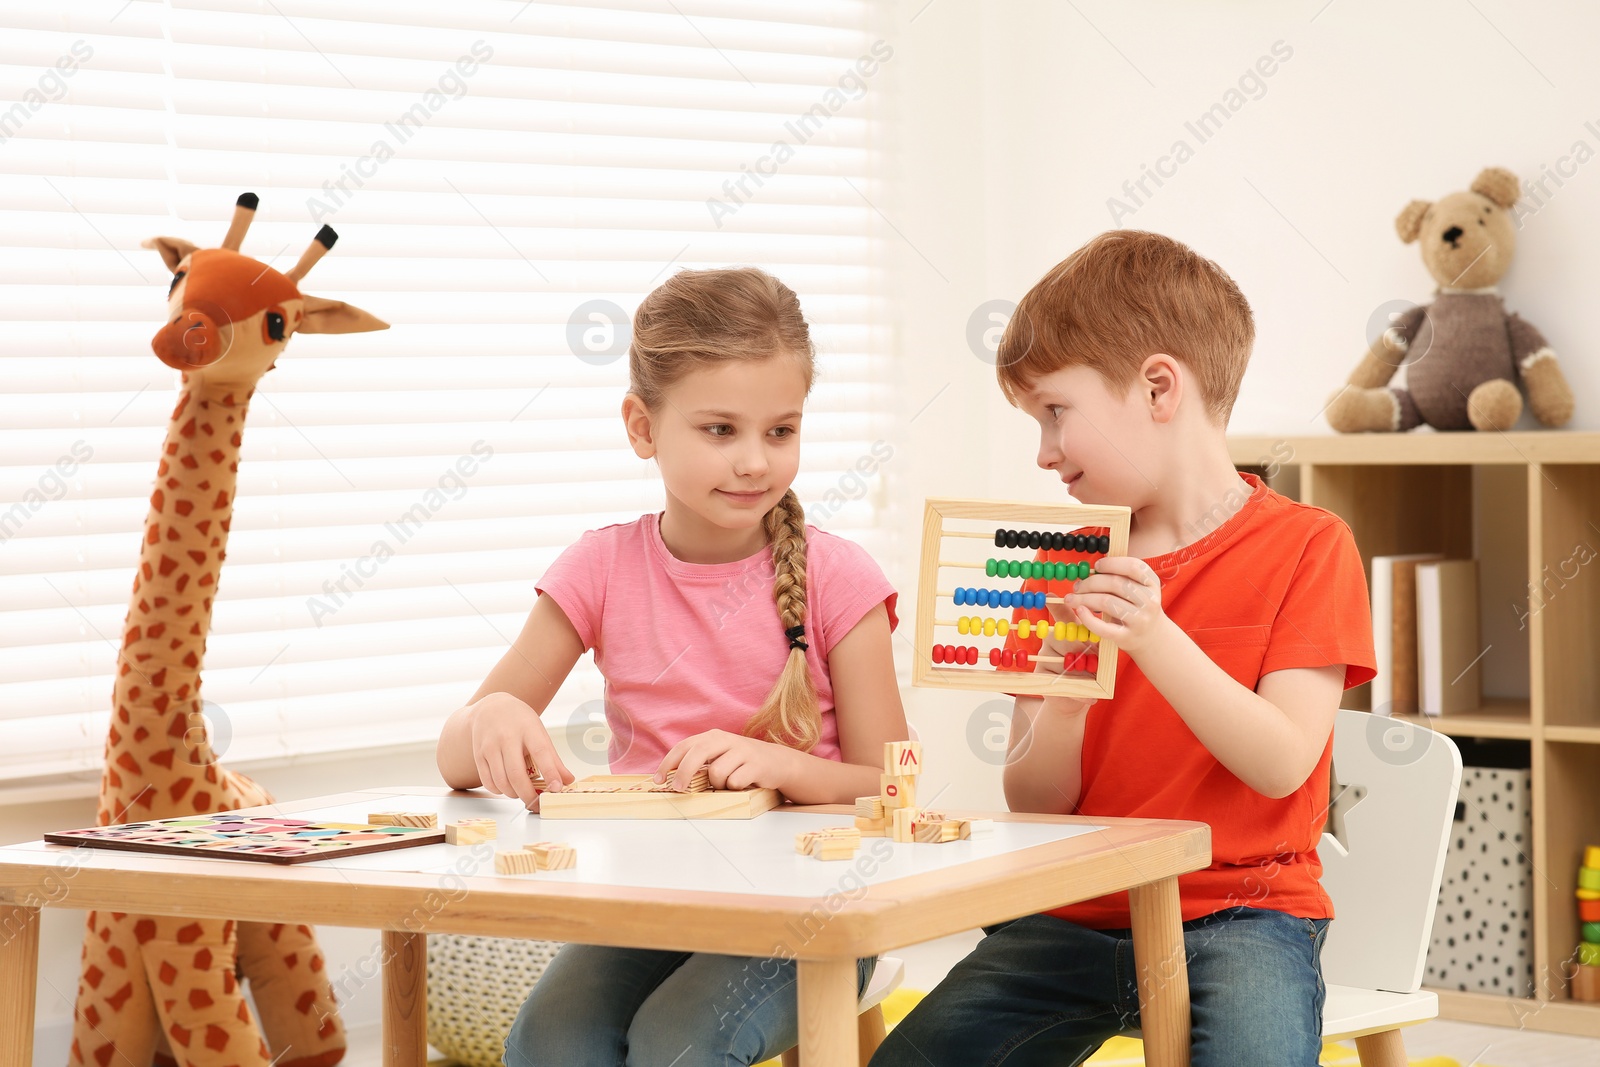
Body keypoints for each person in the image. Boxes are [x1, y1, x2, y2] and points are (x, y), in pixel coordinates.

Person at [872, 231, 1376, 1067]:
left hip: (1240, 913)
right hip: (1076, 911)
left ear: (1157, 387)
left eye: (1055, 412)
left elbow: (1282, 762)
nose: (1043, 452)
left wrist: (1155, 636)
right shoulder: (1060, 563)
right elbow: (1037, 804)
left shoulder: (1309, 547)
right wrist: (1061, 707)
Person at [436, 267, 907, 1067]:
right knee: (548, 1042)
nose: (755, 461)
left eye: (781, 431)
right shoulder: (599, 568)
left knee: (672, 1045)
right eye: (720, 430)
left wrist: (782, 766)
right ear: (641, 426)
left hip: (814, 908)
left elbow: (893, 781)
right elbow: (453, 759)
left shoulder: (842, 579)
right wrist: (491, 718)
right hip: (657, 903)